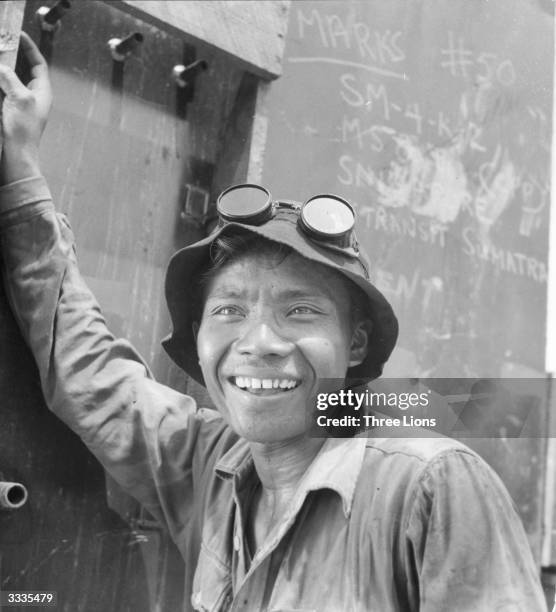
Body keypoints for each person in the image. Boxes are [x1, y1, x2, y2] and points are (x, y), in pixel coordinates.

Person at [0, 34, 546, 612]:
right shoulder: (211, 464)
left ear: (355, 343)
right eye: (229, 310)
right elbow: (90, 372)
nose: (258, 342)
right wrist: (19, 172)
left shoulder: (430, 488)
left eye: (300, 311)